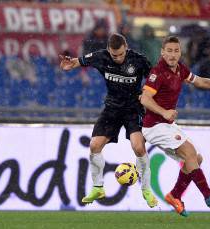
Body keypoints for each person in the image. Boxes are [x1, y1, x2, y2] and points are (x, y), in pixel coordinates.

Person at [140, 36, 210, 216]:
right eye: (169, 51)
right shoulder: (157, 73)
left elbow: (201, 81)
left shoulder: (180, 69)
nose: (173, 55)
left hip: (167, 125)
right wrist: (164, 112)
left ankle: (175, 195)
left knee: (196, 159)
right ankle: (208, 194)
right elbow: (144, 98)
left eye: (176, 51)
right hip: (155, 125)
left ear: (180, 52)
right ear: (162, 52)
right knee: (189, 153)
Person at [59, 33, 158, 208]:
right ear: (108, 51)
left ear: (126, 47)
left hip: (133, 109)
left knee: (138, 146)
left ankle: (146, 189)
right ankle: (98, 187)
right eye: (114, 55)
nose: (118, 58)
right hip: (112, 108)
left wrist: (148, 94)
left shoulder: (139, 60)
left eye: (121, 54)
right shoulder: (101, 57)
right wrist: (70, 64)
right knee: (94, 146)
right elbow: (77, 61)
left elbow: (155, 80)